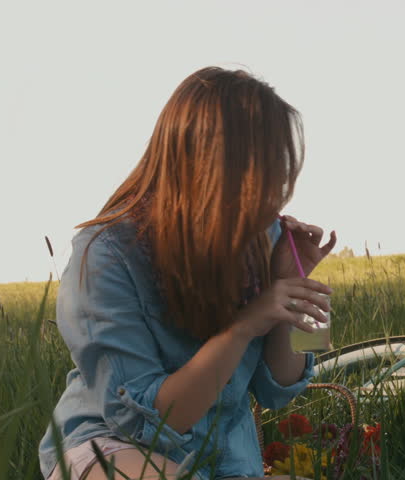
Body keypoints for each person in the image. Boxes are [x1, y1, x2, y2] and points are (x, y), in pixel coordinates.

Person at [38, 66, 336, 480]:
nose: (274, 194)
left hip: (222, 460)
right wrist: (242, 328)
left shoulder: (259, 238)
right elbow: (147, 421)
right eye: (261, 174)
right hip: (113, 451)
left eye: (279, 174)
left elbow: (279, 390)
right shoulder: (106, 255)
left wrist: (287, 286)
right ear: (208, 167)